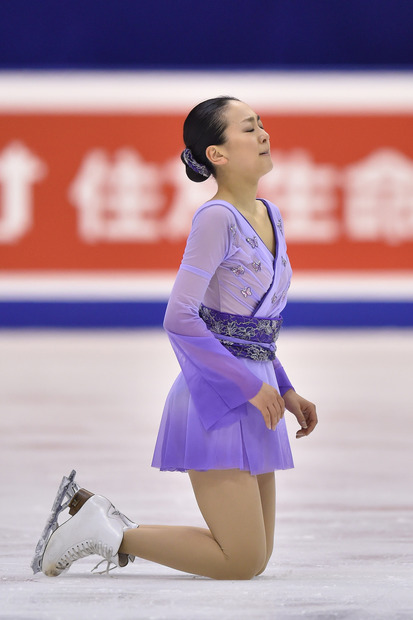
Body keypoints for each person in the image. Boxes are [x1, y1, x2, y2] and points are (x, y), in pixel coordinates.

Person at [33, 96, 318, 581]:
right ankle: (107, 532)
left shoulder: (271, 215)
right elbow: (180, 317)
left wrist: (285, 388)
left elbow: (258, 327)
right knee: (242, 561)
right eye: (249, 129)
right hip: (217, 397)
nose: (264, 134)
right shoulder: (216, 219)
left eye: (262, 125)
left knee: (256, 555)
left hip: (261, 395)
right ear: (217, 154)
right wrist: (250, 386)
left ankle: (104, 522)